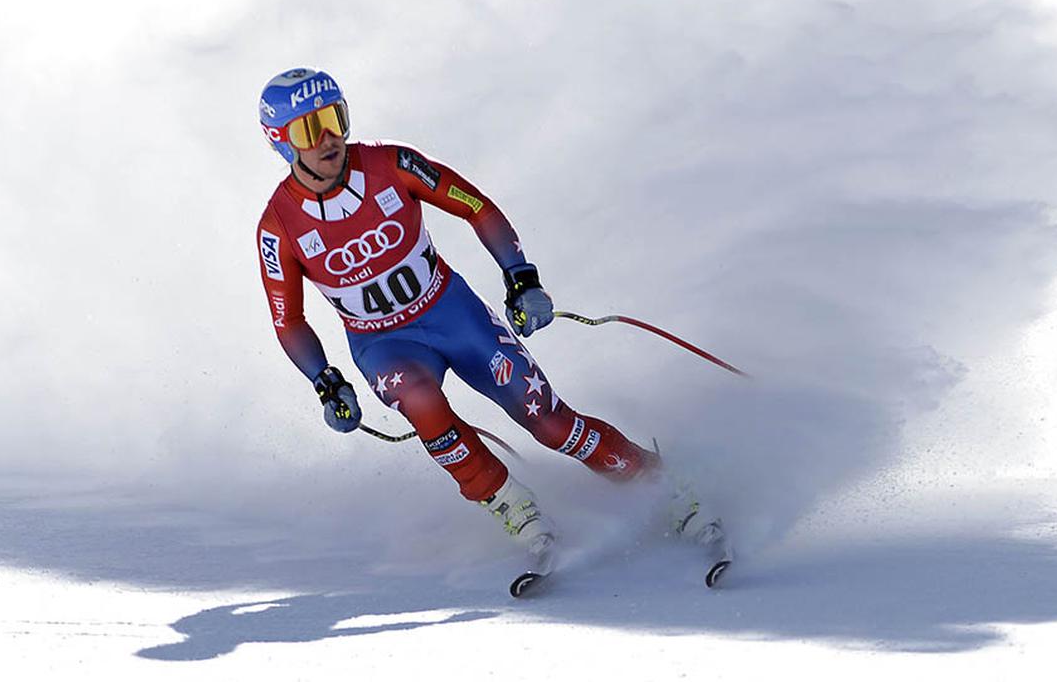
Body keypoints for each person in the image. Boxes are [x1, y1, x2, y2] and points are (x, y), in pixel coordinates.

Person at [254, 68, 717, 572]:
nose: (329, 138)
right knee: (422, 403)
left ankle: (659, 485)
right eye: (308, 128)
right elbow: (289, 319)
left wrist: (521, 276)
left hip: (452, 312)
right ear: (282, 142)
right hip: (383, 345)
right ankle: (512, 506)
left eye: (334, 118)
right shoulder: (278, 226)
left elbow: (474, 205)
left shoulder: (391, 163)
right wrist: (325, 381)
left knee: (550, 422)